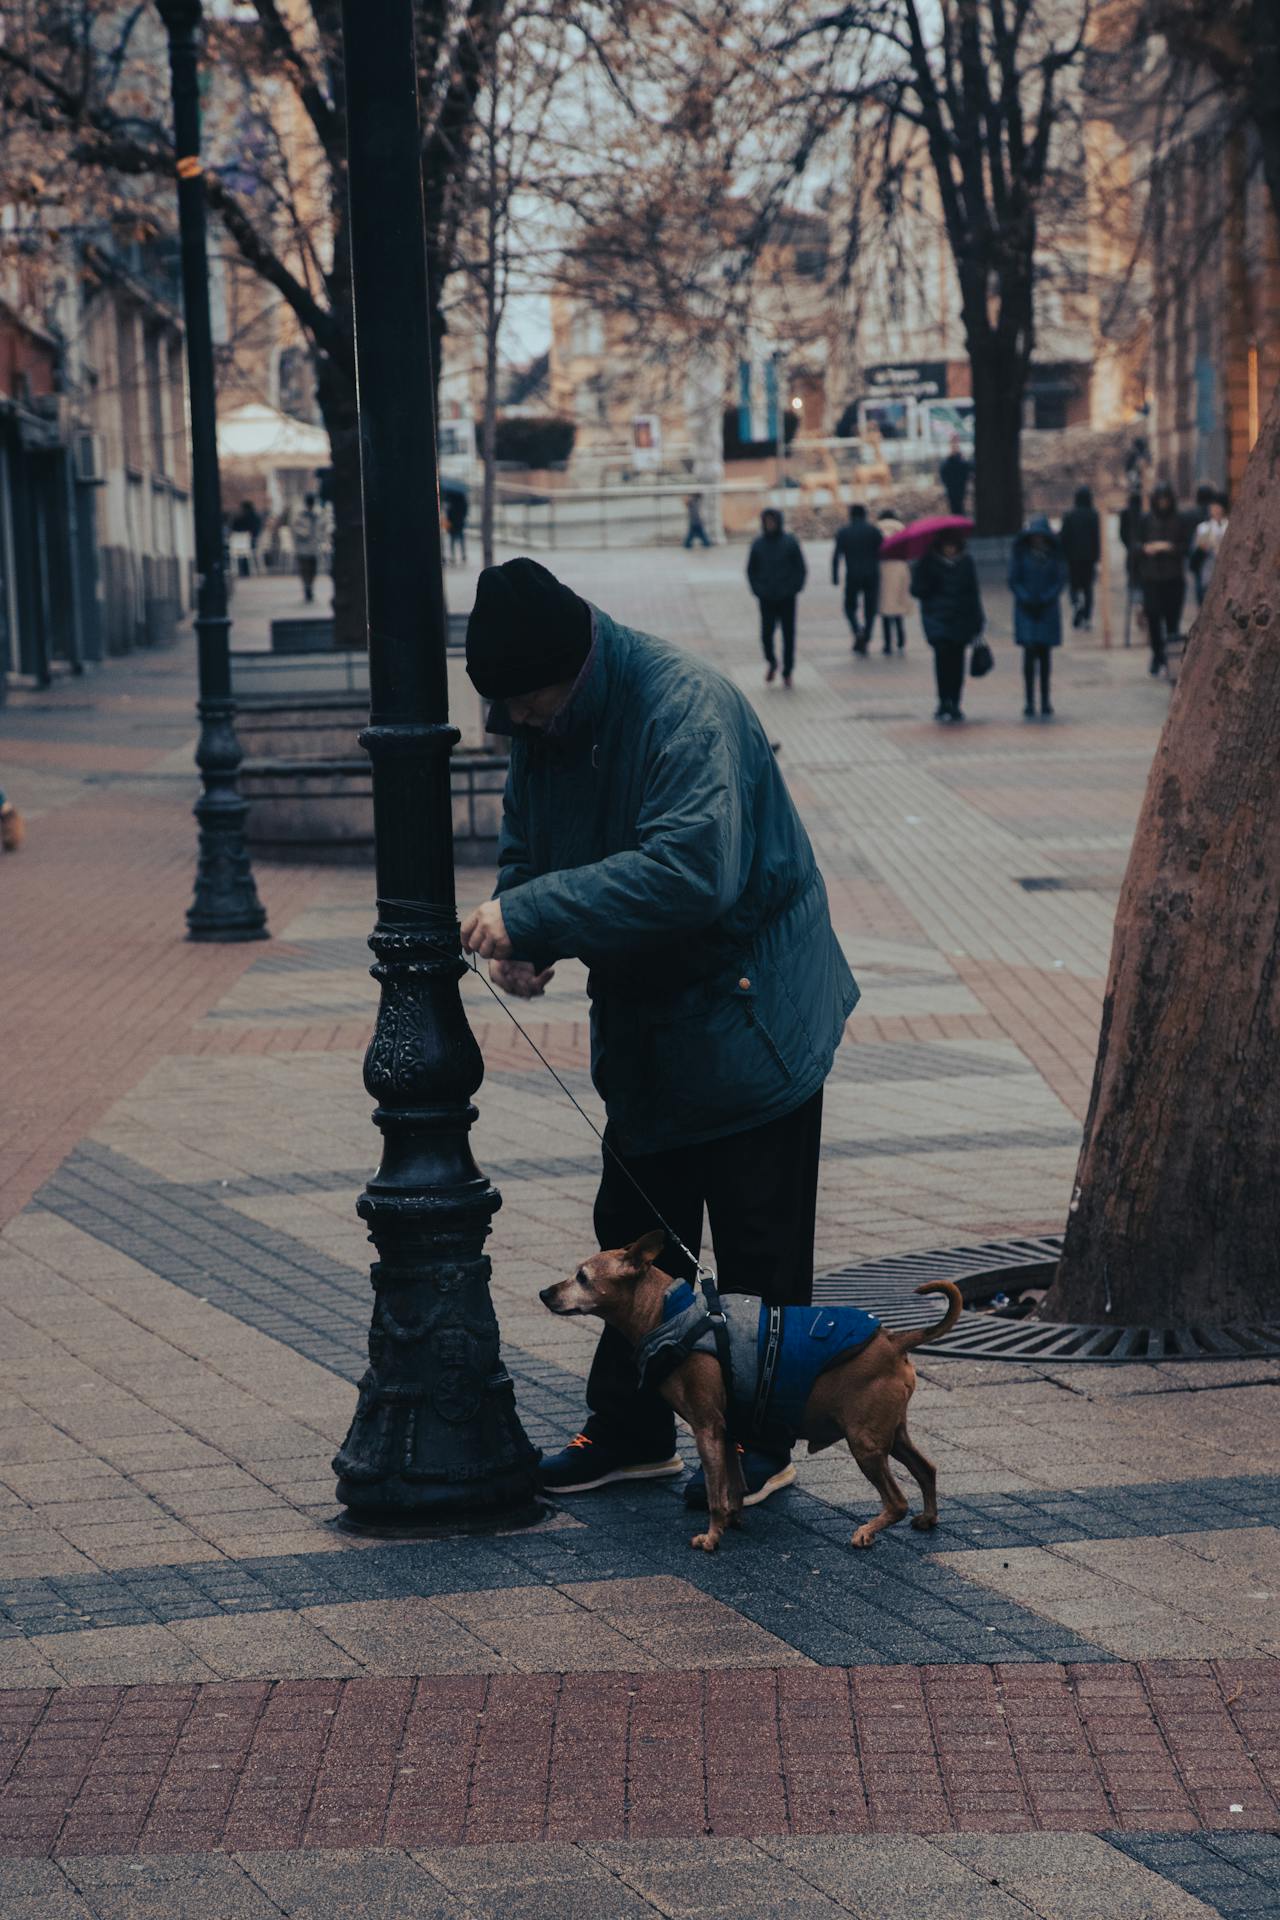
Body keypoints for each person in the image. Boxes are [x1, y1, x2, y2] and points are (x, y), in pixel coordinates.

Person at [459, 556, 858, 1509]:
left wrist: (540, 911)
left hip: (753, 1016)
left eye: (528, 705)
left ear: (577, 670)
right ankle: (633, 1430)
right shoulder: (541, 718)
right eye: (506, 709)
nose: (517, 724)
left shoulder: (687, 706)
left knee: (758, 1250)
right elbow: (528, 847)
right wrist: (527, 932)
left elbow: (691, 872)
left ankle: (762, 1444)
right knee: (633, 1239)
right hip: (650, 1030)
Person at [910, 529, 984, 722]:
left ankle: (955, 702)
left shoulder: (966, 563)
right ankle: (943, 701)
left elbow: (973, 593)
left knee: (957, 663)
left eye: (953, 546)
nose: (950, 550)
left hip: (960, 619)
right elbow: (917, 590)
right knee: (942, 661)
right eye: (946, 546)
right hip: (938, 620)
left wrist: (978, 620)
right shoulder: (928, 563)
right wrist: (927, 579)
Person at [1009, 514, 1068, 719]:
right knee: (1029, 656)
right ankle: (1029, 700)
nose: (1038, 540)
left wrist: (1045, 598)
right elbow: (1014, 580)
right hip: (1026, 611)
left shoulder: (1053, 556)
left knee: (1045, 658)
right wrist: (1026, 598)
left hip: (1046, 610)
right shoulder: (1021, 555)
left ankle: (1045, 700)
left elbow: (1060, 580)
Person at [746, 508, 806, 687]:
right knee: (766, 635)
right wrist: (758, 590)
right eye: (767, 521)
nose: (770, 524)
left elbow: (800, 568)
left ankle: (787, 671)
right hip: (766, 598)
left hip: (787, 597)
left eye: (772, 521)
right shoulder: (758, 544)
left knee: (788, 636)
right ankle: (772, 661)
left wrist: (794, 588)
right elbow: (751, 570)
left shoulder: (790, 542)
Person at [1137, 482, 1188, 674]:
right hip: (1151, 578)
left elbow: (1185, 546)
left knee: (1172, 622)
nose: (1163, 503)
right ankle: (1157, 655)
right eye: (1160, 500)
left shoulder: (1179, 520)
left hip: (1173, 578)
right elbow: (1136, 544)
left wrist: (1169, 547)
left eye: (1166, 500)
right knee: (1153, 619)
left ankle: (1171, 659)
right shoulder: (1146, 520)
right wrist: (1145, 549)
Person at [831, 503, 883, 653]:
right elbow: (882, 551)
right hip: (872, 574)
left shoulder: (844, 532)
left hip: (853, 575)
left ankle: (857, 630)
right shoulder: (873, 531)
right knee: (870, 609)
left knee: (849, 607)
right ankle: (866, 635)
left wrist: (834, 576)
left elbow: (836, 555)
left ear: (850, 515)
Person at [1059, 485, 1101, 629]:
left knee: (1074, 585)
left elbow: (1064, 537)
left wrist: (1063, 555)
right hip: (1089, 558)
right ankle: (1087, 616)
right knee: (1088, 588)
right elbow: (1097, 538)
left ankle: (1076, 603)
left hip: (1073, 558)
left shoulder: (1069, 515)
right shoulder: (1093, 515)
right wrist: (1097, 557)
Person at [876, 508, 910, 653]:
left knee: (885, 606)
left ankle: (888, 643)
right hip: (900, 567)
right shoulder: (902, 530)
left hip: (883, 568)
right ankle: (901, 637)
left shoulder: (876, 529)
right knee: (898, 604)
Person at [1192, 494, 1228, 605]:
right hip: (1207, 574)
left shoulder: (1229, 526)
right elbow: (1194, 556)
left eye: (1218, 507)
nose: (1215, 510)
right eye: (1213, 507)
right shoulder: (1203, 528)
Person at [292, 493, 324, 603]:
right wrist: (305, 533)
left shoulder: (317, 514)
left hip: (314, 548)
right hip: (303, 548)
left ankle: (310, 586)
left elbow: (322, 528)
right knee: (305, 569)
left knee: (313, 569)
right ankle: (307, 587)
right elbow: (295, 529)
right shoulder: (299, 514)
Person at [940, 436, 972, 515]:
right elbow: (943, 471)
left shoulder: (960, 457)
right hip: (952, 486)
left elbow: (966, 469)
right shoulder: (949, 459)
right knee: (954, 506)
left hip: (959, 486)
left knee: (959, 505)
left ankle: (959, 520)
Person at [231, 500, 262, 577]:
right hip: (253, 543)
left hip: (243, 544)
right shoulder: (257, 518)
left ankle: (240, 570)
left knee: (234, 549)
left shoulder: (241, 519)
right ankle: (246, 569)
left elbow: (233, 528)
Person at [445, 489, 468, 564]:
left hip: (453, 525)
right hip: (460, 523)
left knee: (452, 541)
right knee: (461, 540)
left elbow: (448, 515)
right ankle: (463, 556)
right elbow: (465, 512)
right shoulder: (463, 501)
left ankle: (453, 557)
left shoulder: (451, 502)